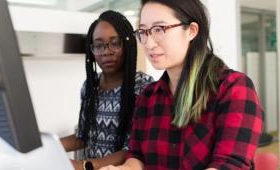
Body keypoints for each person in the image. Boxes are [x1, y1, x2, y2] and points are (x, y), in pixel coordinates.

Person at [100, 0, 264, 170]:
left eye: (159, 29)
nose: (148, 43)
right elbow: (137, 155)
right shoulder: (147, 96)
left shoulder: (233, 88)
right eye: (143, 31)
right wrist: (123, 169)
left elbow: (230, 164)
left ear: (191, 31)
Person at [60, 10, 154, 170]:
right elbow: (83, 136)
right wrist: (49, 146)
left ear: (128, 44)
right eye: (98, 45)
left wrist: (84, 166)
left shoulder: (144, 87)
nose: (106, 51)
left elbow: (133, 149)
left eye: (115, 43)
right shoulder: (90, 86)